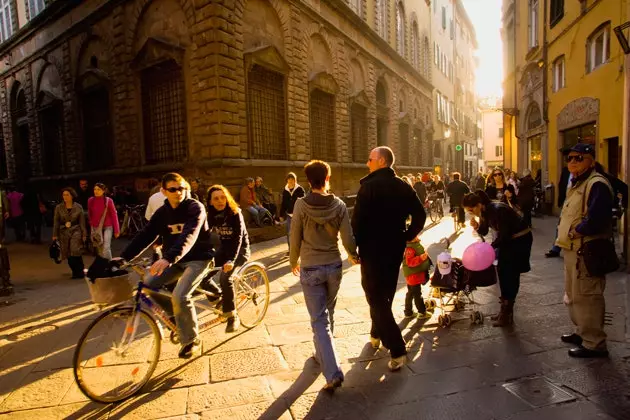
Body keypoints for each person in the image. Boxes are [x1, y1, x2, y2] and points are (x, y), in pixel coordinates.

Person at [119, 173, 215, 358]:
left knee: (180, 295)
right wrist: (124, 258)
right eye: (173, 189)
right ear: (164, 191)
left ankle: (191, 340)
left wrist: (168, 258)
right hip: (174, 260)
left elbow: (190, 234)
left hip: (199, 258)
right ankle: (175, 317)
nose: (178, 192)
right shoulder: (162, 213)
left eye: (181, 188)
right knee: (148, 283)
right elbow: (146, 235)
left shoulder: (195, 208)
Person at [352, 146, 426, 371]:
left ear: (382, 161)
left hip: (372, 249)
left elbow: (356, 222)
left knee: (375, 296)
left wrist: (353, 248)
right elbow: (420, 214)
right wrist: (408, 235)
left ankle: (397, 348)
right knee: (384, 293)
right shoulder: (403, 185)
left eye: (370, 159)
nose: (367, 163)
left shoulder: (368, 187)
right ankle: (376, 333)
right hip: (395, 247)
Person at [289, 160, 359, 392]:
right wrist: (352, 254)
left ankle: (332, 371)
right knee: (327, 313)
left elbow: (295, 236)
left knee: (318, 318)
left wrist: (293, 260)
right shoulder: (338, 205)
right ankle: (321, 355)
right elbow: (348, 237)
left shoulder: (300, 205)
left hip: (310, 267)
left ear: (308, 180)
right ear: (328, 178)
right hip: (333, 266)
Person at [556, 144, 613, 358]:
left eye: (578, 158)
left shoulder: (596, 183)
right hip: (572, 249)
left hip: (585, 248)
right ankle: (582, 332)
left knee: (587, 295)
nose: (572, 161)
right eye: (569, 158)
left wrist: (576, 231)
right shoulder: (578, 181)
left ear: (590, 160)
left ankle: (594, 343)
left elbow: (597, 218)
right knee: (573, 295)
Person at [463, 190, 533, 327]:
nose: (471, 213)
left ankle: (507, 315)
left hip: (519, 241)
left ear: (479, 204)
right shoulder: (485, 211)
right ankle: (504, 312)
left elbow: (505, 234)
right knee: (503, 272)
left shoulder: (497, 210)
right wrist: (476, 226)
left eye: (471, 210)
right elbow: (484, 231)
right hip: (509, 241)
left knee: (509, 274)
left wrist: (490, 247)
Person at [204, 184, 251, 332]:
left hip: (240, 250)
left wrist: (231, 260)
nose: (220, 201)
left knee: (225, 278)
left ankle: (232, 316)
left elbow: (237, 239)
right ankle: (220, 298)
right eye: (216, 198)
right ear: (211, 201)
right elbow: (203, 236)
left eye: (223, 197)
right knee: (202, 275)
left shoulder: (235, 213)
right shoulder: (210, 214)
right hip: (223, 249)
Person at [52, 187, 87, 279]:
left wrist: (84, 234)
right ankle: (75, 271)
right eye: (64, 195)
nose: (65, 197)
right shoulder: (59, 207)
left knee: (75, 250)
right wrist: (54, 234)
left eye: (67, 195)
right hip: (63, 231)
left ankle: (80, 270)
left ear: (72, 196)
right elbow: (56, 221)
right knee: (67, 253)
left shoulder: (78, 207)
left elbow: (82, 222)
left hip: (76, 229)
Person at [546, 160, 572, 258]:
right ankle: (556, 248)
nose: (572, 162)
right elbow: (562, 186)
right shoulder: (566, 171)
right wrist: (560, 201)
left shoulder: (588, 174)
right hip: (566, 202)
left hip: (578, 205)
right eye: (570, 159)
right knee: (561, 226)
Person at [88, 183, 120, 260]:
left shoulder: (109, 201)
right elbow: (90, 214)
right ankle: (102, 265)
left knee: (106, 247)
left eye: (98, 189)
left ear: (103, 191)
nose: (96, 191)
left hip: (107, 226)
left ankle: (110, 265)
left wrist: (117, 230)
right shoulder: (90, 200)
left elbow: (114, 215)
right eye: (95, 189)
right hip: (96, 227)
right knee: (99, 248)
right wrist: (91, 226)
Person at [402, 236, 430, 319]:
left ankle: (408, 312)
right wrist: (421, 258)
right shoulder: (410, 248)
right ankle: (422, 312)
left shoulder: (413, 245)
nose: (417, 236)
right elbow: (410, 262)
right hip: (413, 276)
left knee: (410, 293)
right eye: (414, 235)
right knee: (417, 294)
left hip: (413, 275)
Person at [280, 172, 305, 253]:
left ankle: (300, 248)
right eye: (289, 180)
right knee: (289, 233)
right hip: (289, 215)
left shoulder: (300, 189)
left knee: (299, 233)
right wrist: (281, 215)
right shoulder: (285, 190)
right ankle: (291, 250)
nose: (291, 182)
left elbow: (303, 202)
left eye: (292, 180)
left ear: (295, 181)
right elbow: (283, 203)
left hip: (298, 215)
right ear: (287, 181)